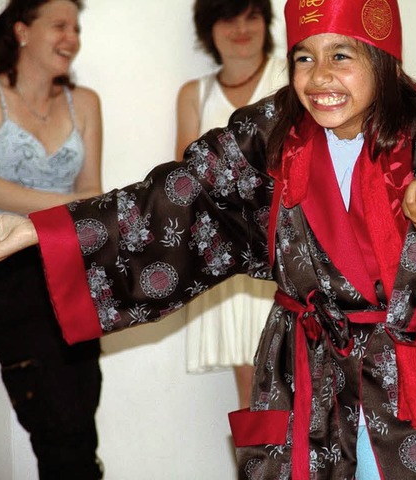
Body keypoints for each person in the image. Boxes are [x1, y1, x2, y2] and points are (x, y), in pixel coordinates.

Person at [0, 0, 416, 477]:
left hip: (404, 380)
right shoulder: (270, 133)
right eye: (304, 58)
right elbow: (175, 197)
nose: (320, 77)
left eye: (340, 55)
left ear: (381, 58)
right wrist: (45, 229)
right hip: (303, 371)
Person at [0, 0, 105, 478]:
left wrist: (43, 209)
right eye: (59, 25)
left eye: (76, 28)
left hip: (72, 266)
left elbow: (96, 193)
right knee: (54, 419)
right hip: (9, 273)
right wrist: (62, 207)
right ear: (21, 31)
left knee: (82, 409)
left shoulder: (86, 103)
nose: (72, 37)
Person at [175, 0, 286, 409]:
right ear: (210, 29)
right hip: (227, 259)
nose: (241, 28)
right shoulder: (194, 93)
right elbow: (185, 180)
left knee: (298, 385)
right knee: (252, 395)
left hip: (283, 252)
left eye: (251, 16)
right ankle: (258, 474)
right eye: (229, 18)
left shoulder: (290, 76)